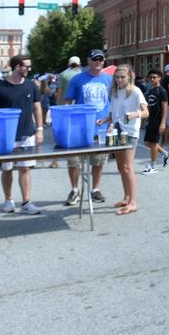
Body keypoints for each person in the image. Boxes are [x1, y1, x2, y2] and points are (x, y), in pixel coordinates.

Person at [0, 54, 43, 215]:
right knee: (7, 168)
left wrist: (39, 129)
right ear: (17, 67)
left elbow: (37, 107)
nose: (30, 69)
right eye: (27, 66)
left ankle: (27, 202)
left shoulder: (31, 85)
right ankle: (8, 200)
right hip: (7, 136)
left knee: (25, 168)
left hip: (27, 134)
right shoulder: (0, 87)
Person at [63, 50, 113, 206]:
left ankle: (95, 189)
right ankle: (75, 190)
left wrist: (111, 123)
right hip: (79, 127)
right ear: (88, 61)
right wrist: (67, 122)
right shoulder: (77, 79)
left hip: (101, 127)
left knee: (98, 161)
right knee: (74, 161)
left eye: (100, 59)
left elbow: (113, 104)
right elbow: (67, 102)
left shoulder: (109, 80)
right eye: (95, 59)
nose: (98, 62)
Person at [107, 64, 146, 215]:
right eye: (117, 77)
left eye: (122, 77)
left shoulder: (135, 91)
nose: (119, 80)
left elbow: (146, 112)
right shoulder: (115, 92)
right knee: (120, 167)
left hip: (130, 132)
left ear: (129, 76)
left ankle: (133, 202)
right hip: (115, 131)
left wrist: (135, 114)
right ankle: (126, 197)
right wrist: (106, 121)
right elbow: (113, 114)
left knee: (128, 167)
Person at [141, 69, 169, 174]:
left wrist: (163, 122)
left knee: (153, 143)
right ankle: (165, 153)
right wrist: (145, 118)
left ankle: (153, 165)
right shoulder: (151, 90)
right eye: (150, 77)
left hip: (158, 120)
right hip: (151, 119)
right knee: (147, 142)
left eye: (154, 77)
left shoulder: (162, 91)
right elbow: (150, 106)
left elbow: (165, 108)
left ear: (159, 78)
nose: (152, 79)